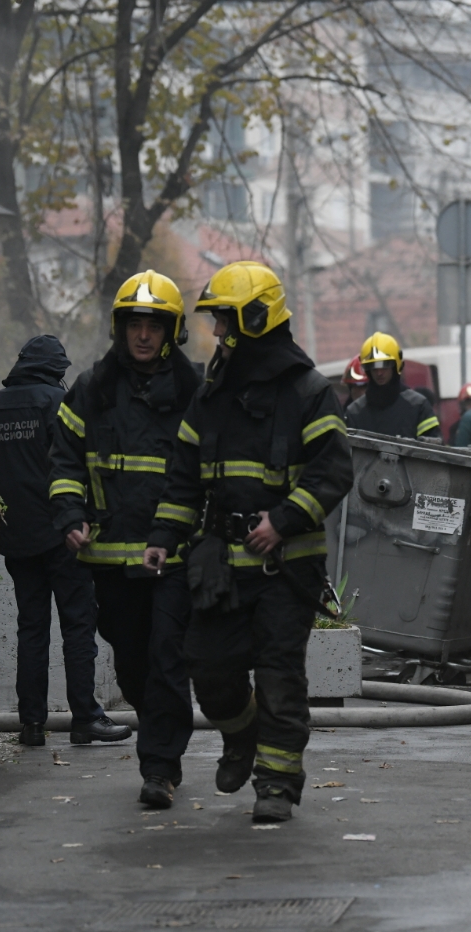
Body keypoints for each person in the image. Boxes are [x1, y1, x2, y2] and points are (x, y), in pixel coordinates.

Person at [142, 261, 354, 824]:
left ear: (256, 320)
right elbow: (183, 476)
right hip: (220, 565)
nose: (217, 333)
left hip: (287, 565)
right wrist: (164, 535)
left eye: (226, 321)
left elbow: (333, 471)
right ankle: (243, 736)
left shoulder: (309, 392)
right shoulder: (211, 394)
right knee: (209, 670)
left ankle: (278, 784)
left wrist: (283, 521)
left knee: (281, 674)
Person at [49, 270, 201, 808]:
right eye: (135, 324)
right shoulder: (91, 389)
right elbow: (63, 458)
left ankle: (159, 769)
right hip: (110, 560)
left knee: (165, 657)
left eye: (154, 326)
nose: (143, 335)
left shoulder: (193, 392)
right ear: (121, 328)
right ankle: (161, 732)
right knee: (134, 664)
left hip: (175, 556)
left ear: (171, 331)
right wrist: (70, 514)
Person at [0, 335, 130, 749]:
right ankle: (85, 718)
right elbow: (75, 461)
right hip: (62, 534)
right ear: (57, 370)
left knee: (32, 629)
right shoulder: (56, 403)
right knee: (78, 624)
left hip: (17, 538)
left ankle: (32, 725)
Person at [343, 332, 440, 441]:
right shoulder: (354, 412)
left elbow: (433, 451)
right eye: (373, 367)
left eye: (385, 365)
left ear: (396, 365)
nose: (379, 373)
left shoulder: (418, 406)